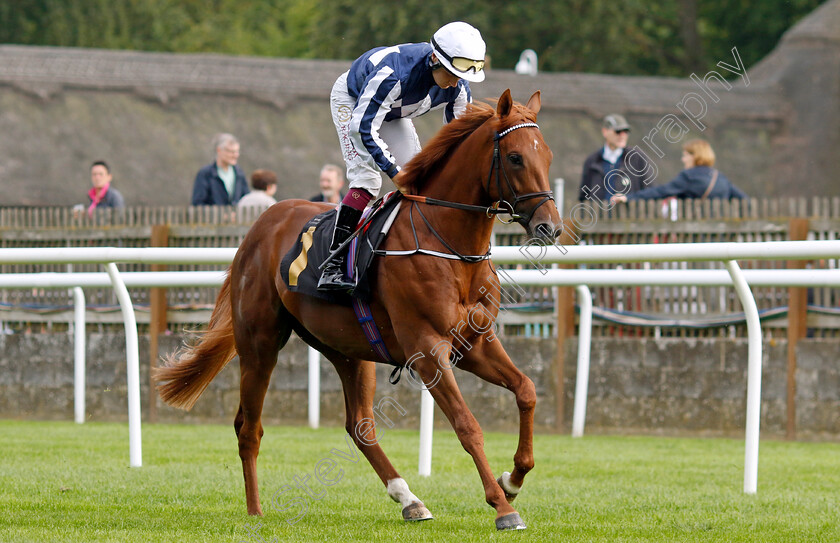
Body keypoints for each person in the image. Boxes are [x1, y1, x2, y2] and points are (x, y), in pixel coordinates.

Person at [319, 21, 486, 290]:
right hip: (353, 102)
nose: (456, 81)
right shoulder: (394, 74)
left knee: (421, 178)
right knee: (368, 180)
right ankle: (333, 264)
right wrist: (394, 173)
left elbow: (459, 140)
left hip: (394, 109)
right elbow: (362, 128)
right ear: (434, 59)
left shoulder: (459, 86)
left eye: (461, 76)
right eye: (452, 73)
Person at [610, 139, 747, 204]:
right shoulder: (720, 177)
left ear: (695, 156)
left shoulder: (689, 176)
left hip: (695, 238)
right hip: (722, 237)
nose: (683, 159)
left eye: (686, 155)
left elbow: (661, 191)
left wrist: (629, 197)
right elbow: (745, 201)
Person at [578, 114, 654, 204]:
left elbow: (650, 191)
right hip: (599, 216)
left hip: (631, 217)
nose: (622, 135)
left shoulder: (637, 158)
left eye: (625, 131)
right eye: (618, 131)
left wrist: (628, 198)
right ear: (605, 132)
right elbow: (583, 197)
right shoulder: (592, 161)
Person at [190, 133, 249, 206]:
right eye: (231, 152)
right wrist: (219, 215)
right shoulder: (205, 174)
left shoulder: (239, 174)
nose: (235, 155)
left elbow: (246, 199)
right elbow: (198, 203)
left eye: (237, 151)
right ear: (219, 150)